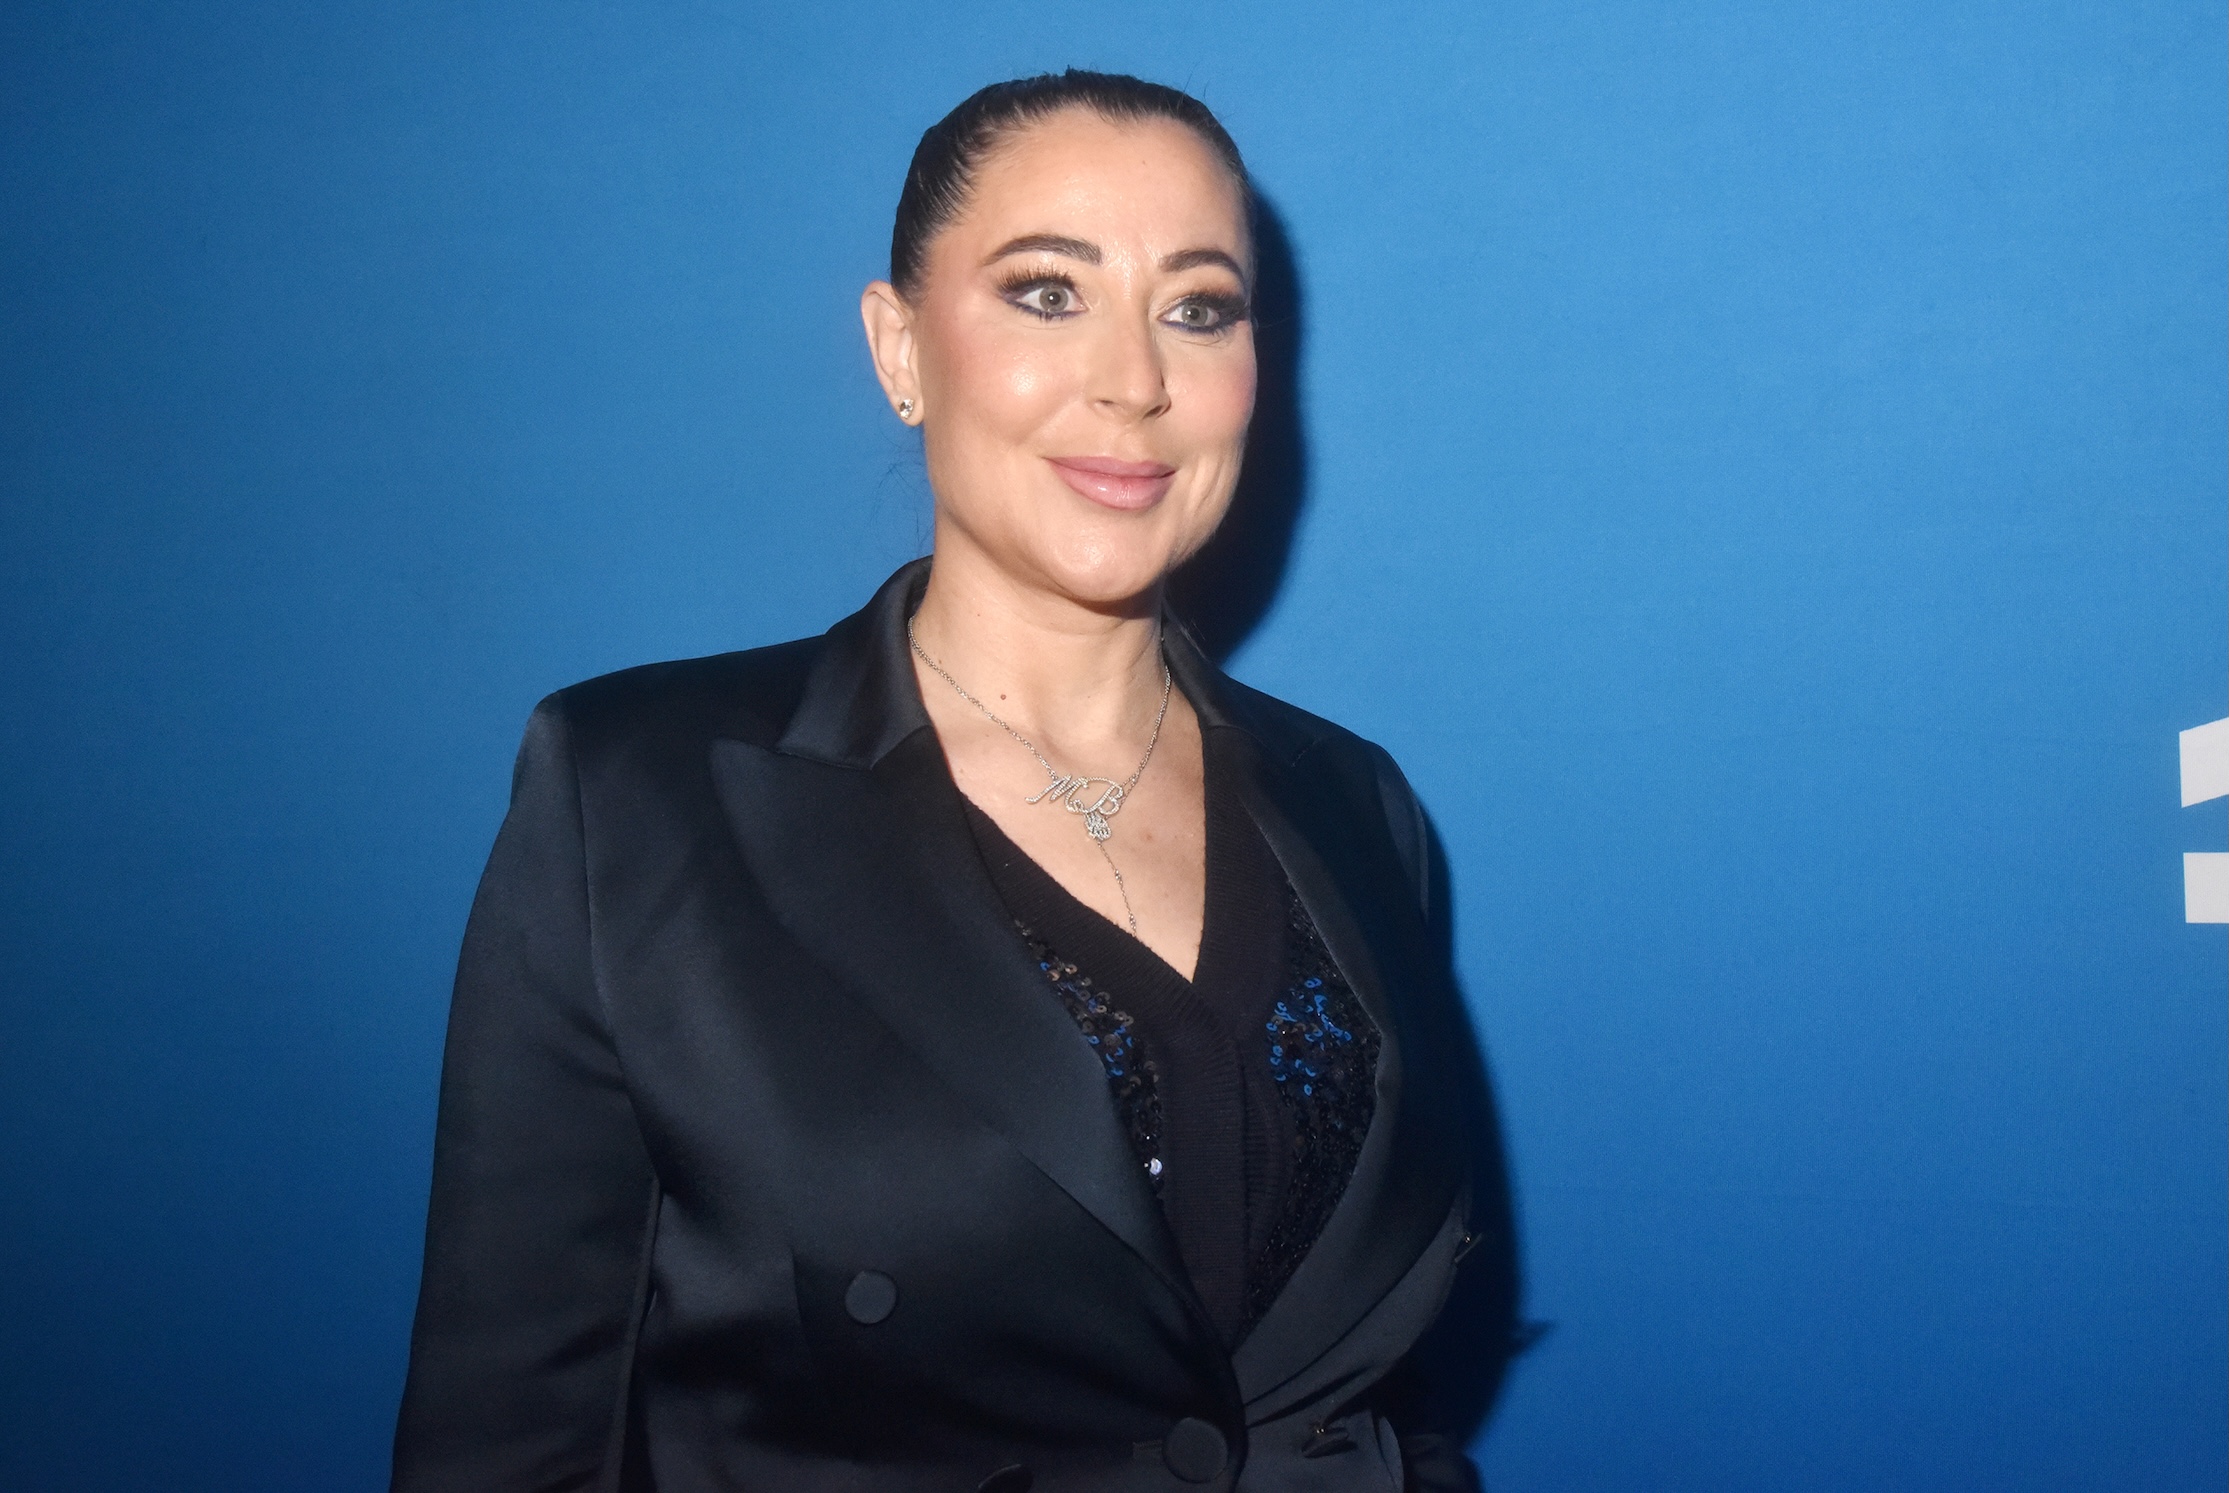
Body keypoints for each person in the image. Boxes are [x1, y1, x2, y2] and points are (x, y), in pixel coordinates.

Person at [392, 70, 1514, 1493]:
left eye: (1197, 307)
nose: (1135, 379)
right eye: (1048, 292)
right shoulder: (634, 798)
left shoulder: (1356, 805)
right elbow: (507, 1440)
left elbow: (1379, 1390)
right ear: (900, 348)